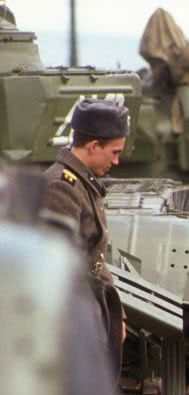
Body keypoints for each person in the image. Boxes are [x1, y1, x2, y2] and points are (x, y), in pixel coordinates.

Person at [42, 98, 129, 374]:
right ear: (93, 146)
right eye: (114, 152)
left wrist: (117, 317)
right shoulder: (62, 186)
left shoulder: (82, 182)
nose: (117, 161)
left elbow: (95, 258)